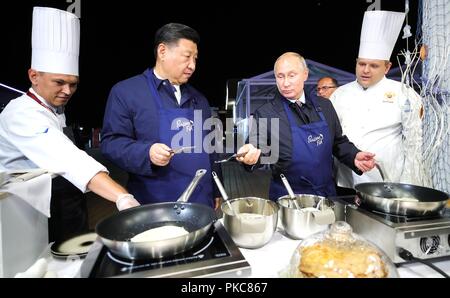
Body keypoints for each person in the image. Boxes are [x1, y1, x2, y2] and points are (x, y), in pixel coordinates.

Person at [0, 7, 140, 242]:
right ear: (34, 76)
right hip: (24, 213)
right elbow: (68, 158)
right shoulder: (21, 113)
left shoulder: (54, 110)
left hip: (65, 202)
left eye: (73, 84)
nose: (67, 91)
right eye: (59, 82)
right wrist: (121, 197)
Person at [101, 23, 222, 209]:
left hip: (200, 202)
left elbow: (211, 148)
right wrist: (146, 153)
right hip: (154, 204)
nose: (193, 65)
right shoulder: (126, 92)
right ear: (162, 51)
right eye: (187, 57)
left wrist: (216, 190)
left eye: (195, 59)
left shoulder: (199, 99)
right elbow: (111, 143)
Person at [237, 52, 376, 200]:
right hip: (288, 197)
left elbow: (337, 142)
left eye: (291, 75)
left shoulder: (325, 106)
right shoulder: (266, 113)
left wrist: (353, 155)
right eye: (280, 76)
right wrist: (250, 155)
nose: (285, 83)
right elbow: (257, 147)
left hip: (326, 195)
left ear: (305, 74)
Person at [330, 11, 423, 188]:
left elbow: (414, 143)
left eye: (374, 66)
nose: (366, 70)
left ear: (387, 67)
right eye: (362, 64)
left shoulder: (405, 94)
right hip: (345, 181)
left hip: (387, 181)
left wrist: (409, 184)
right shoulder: (339, 94)